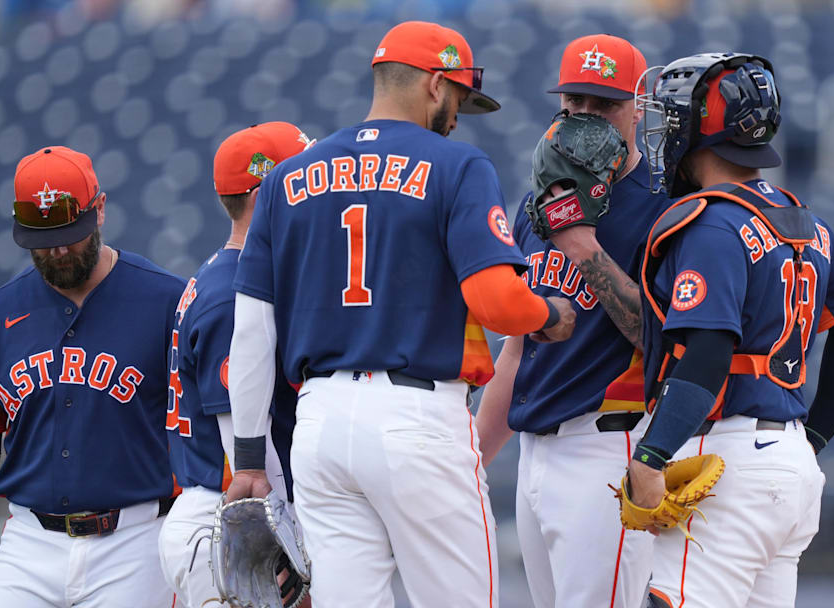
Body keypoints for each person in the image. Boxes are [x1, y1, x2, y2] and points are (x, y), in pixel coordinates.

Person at [222, 20, 576, 608]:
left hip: (320, 424)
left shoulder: (285, 180)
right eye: (460, 97)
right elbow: (497, 301)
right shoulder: (457, 166)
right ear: (436, 85)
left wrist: (251, 460)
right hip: (418, 418)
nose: (460, 114)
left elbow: (252, 330)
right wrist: (550, 315)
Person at [627, 53, 834, 607]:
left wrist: (651, 455)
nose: (663, 131)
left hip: (728, 463)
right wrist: (811, 440)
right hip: (788, 463)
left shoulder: (711, 221)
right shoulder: (805, 222)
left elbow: (710, 352)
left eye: (671, 118)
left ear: (700, 131)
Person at [0, 146, 184, 608]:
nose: (58, 249)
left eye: (69, 232)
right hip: (28, 543)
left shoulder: (166, 302)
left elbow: (201, 427)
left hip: (136, 539)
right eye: (43, 238)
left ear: (99, 210)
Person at [475, 34, 670, 608]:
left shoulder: (665, 203)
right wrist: (471, 460)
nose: (585, 117)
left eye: (602, 103)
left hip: (606, 446)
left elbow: (659, 344)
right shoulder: (542, 198)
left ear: (639, 106)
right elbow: (519, 347)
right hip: (535, 450)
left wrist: (584, 248)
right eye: (573, 103)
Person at [157, 122, 312, 608]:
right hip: (233, 516)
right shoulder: (230, 295)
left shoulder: (230, 272)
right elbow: (242, 441)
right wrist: (282, 539)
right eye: (301, 178)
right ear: (268, 192)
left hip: (224, 509)